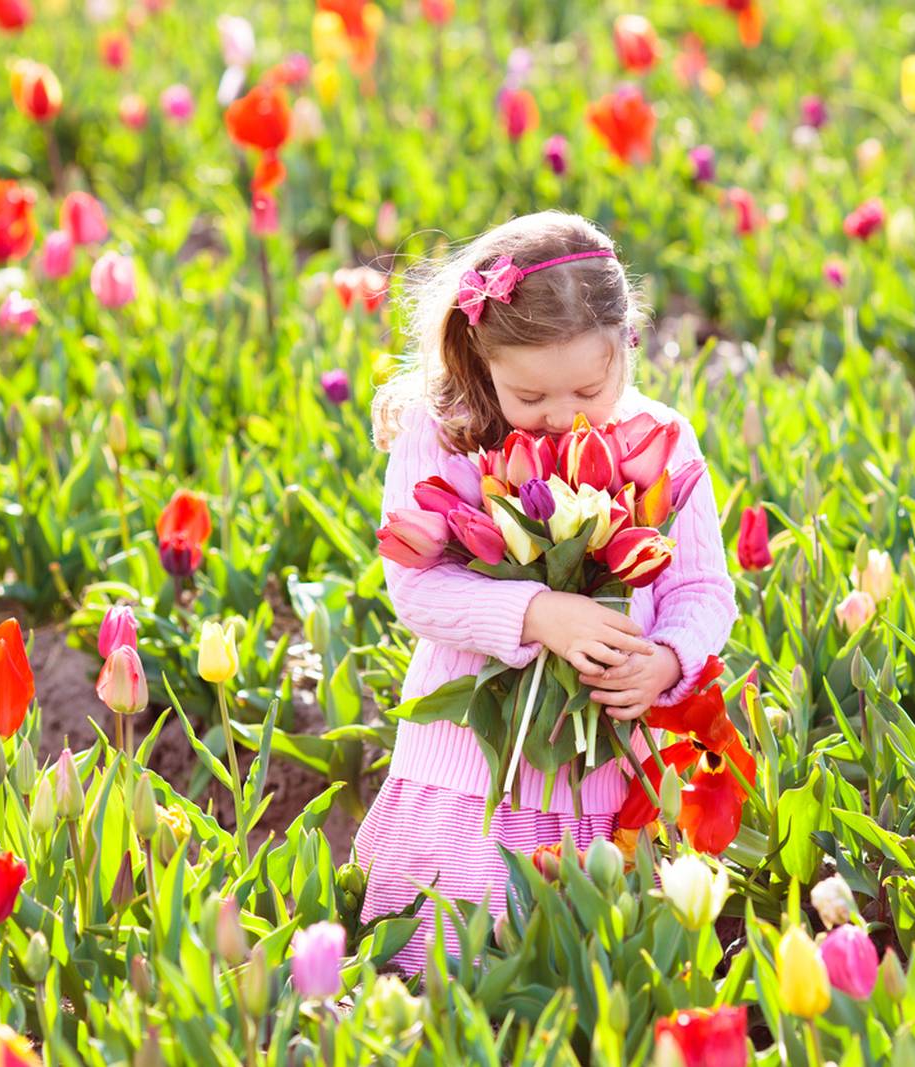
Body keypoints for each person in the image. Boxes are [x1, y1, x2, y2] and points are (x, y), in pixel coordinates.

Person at [356, 210, 737, 974]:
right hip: (470, 767)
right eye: (529, 397)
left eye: (589, 390)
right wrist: (538, 611)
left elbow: (703, 590)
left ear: (626, 346)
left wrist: (665, 661)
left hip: (607, 767)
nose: (563, 418)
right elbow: (416, 588)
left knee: (590, 970)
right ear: (481, 358)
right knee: (455, 968)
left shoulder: (660, 441)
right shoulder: (446, 436)